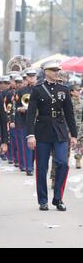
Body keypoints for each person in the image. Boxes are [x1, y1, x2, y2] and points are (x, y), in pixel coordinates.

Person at [27, 60, 77, 211]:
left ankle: (58, 198)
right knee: (41, 167)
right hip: (42, 131)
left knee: (62, 163)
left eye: (58, 70)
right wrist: (30, 135)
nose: (57, 72)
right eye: (53, 70)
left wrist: (73, 134)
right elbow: (30, 114)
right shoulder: (37, 89)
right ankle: (43, 200)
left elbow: (69, 113)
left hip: (60, 131)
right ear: (46, 71)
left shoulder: (64, 89)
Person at [70, 85, 83, 169]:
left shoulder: (82, 102)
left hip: (80, 126)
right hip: (69, 126)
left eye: (79, 90)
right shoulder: (68, 102)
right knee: (67, 143)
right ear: (71, 92)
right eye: (76, 90)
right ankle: (65, 159)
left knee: (80, 143)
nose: (78, 91)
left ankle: (78, 159)